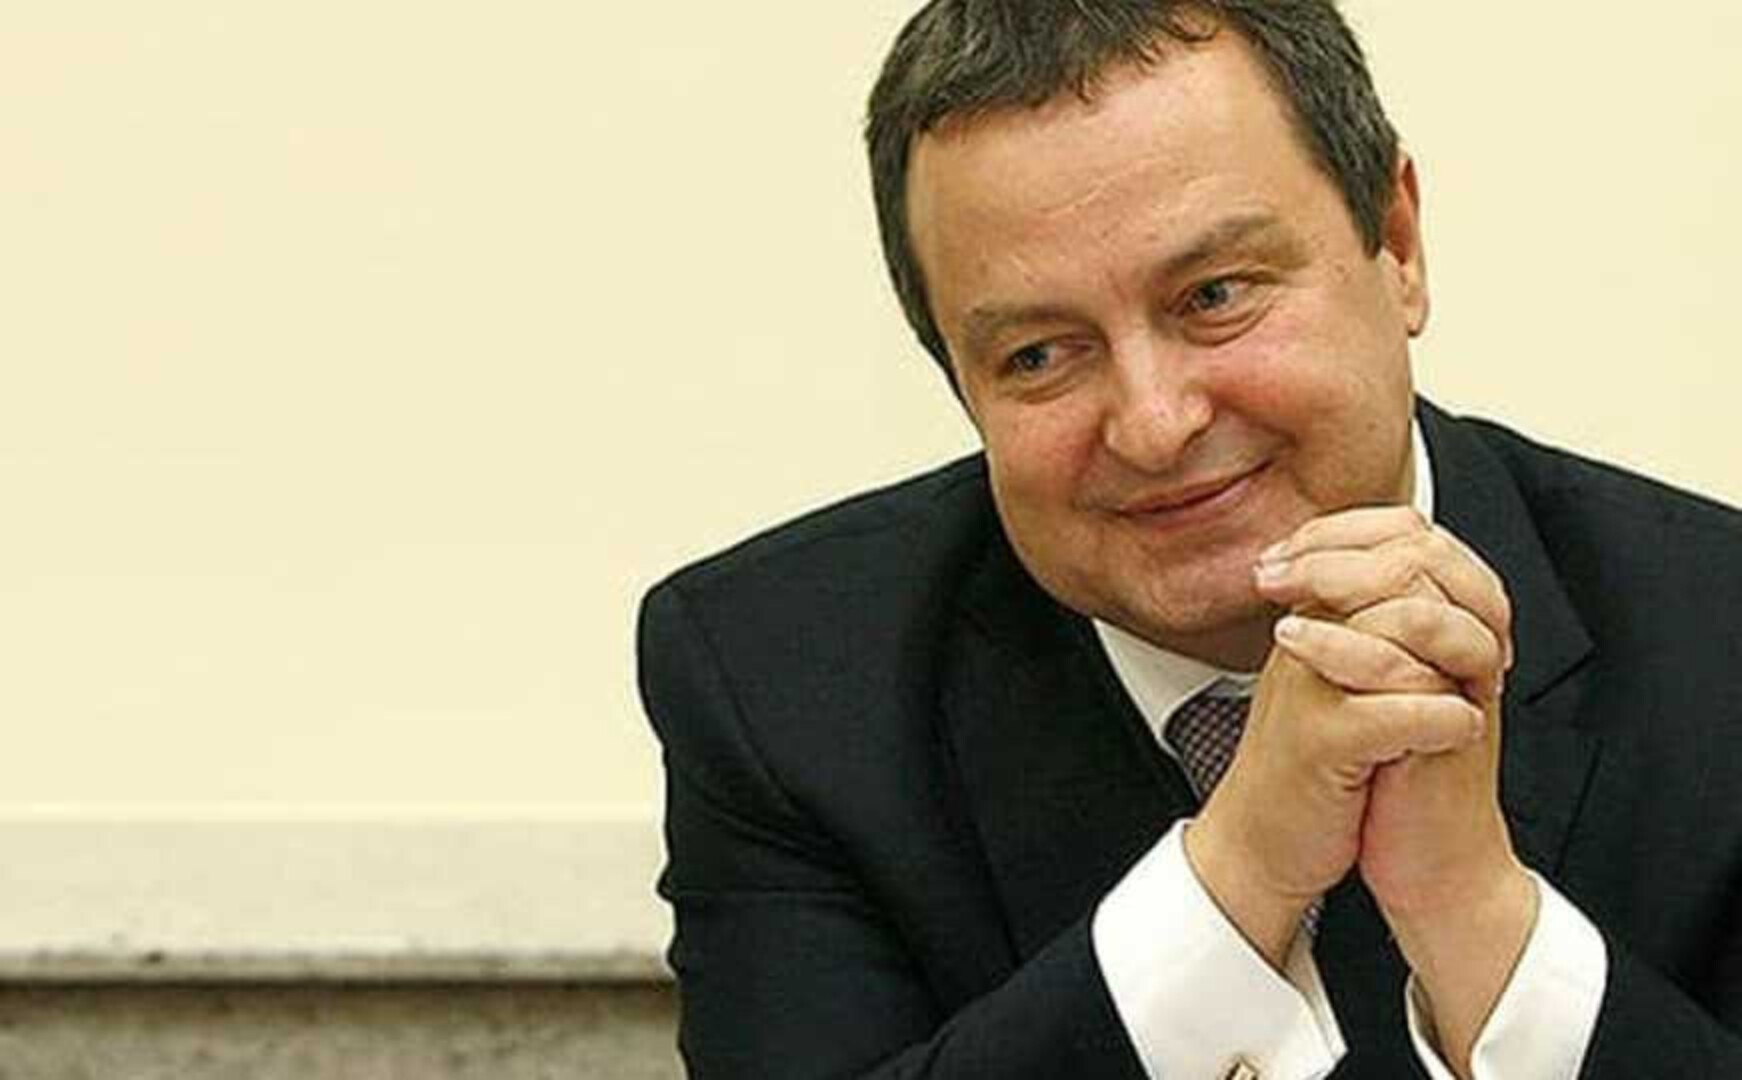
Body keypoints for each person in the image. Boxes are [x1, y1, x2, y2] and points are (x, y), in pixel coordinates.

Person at [637, 2, 1742, 1077]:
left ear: (1397, 245)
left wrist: (1476, 921)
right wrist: (1237, 876)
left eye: (1214, 296)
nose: (1155, 424)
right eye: (1038, 356)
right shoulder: (780, 687)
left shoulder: (1718, 634)